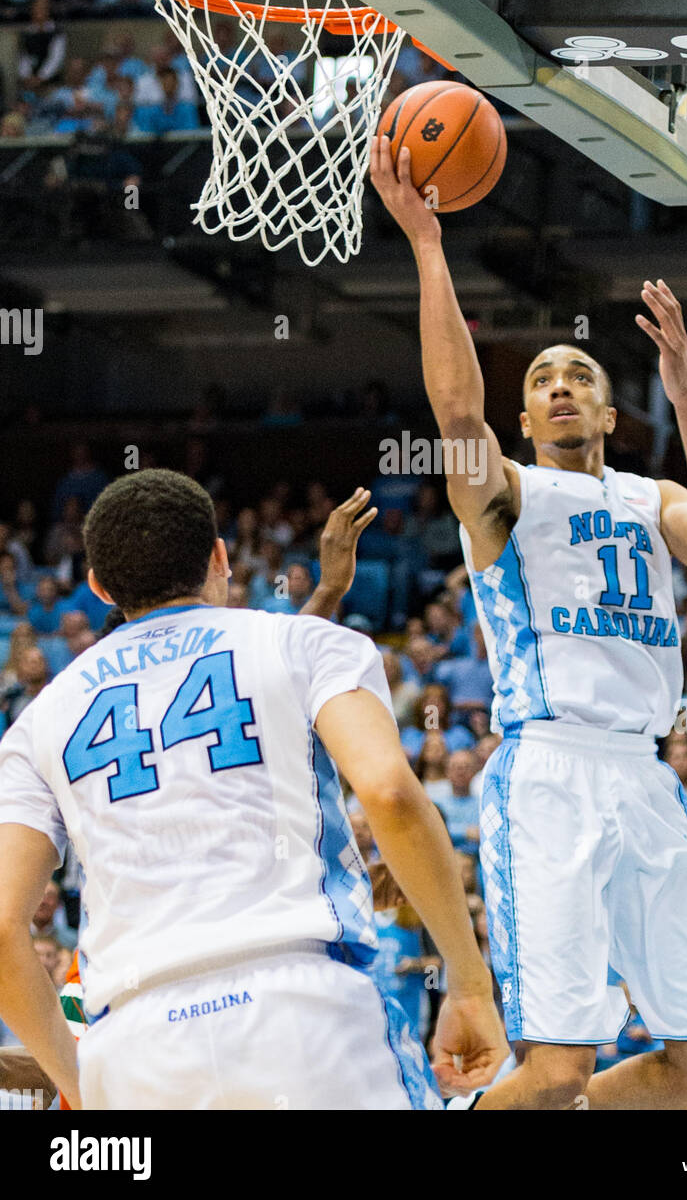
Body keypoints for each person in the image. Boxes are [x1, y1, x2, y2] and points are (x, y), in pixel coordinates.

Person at [371, 137, 687, 1110]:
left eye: (579, 374)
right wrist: (427, 244)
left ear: (611, 410)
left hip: (647, 776)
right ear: (528, 415)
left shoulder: (648, 491)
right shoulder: (508, 493)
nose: (559, 386)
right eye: (542, 378)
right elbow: (458, 416)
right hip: (548, 772)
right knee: (552, 1069)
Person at [0, 469, 506, 1110]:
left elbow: (2, 927)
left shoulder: (39, 719)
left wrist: (84, 1083)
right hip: (305, 1012)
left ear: (98, 586)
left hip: (135, 1041)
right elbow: (390, 794)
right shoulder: (302, 643)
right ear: (219, 556)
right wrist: (466, 983)